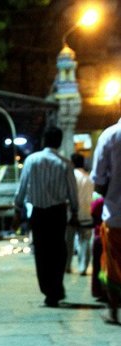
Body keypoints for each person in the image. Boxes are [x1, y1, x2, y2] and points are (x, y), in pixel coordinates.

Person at [14, 126, 78, 307]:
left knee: (41, 253)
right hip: (58, 213)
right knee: (59, 251)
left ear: (44, 141)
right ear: (59, 142)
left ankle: (48, 289)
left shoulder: (31, 160)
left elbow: (22, 187)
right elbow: (72, 191)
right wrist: (74, 211)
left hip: (38, 213)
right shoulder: (65, 163)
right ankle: (56, 288)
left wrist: (17, 209)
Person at [90, 116, 121, 324]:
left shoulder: (110, 136)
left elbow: (98, 182)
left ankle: (113, 310)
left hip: (116, 215)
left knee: (113, 265)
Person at [65, 153, 94, 275]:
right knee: (85, 242)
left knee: (68, 242)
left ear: (72, 163)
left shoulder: (71, 177)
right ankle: (83, 268)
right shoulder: (90, 178)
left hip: (70, 214)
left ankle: (67, 266)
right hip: (87, 214)